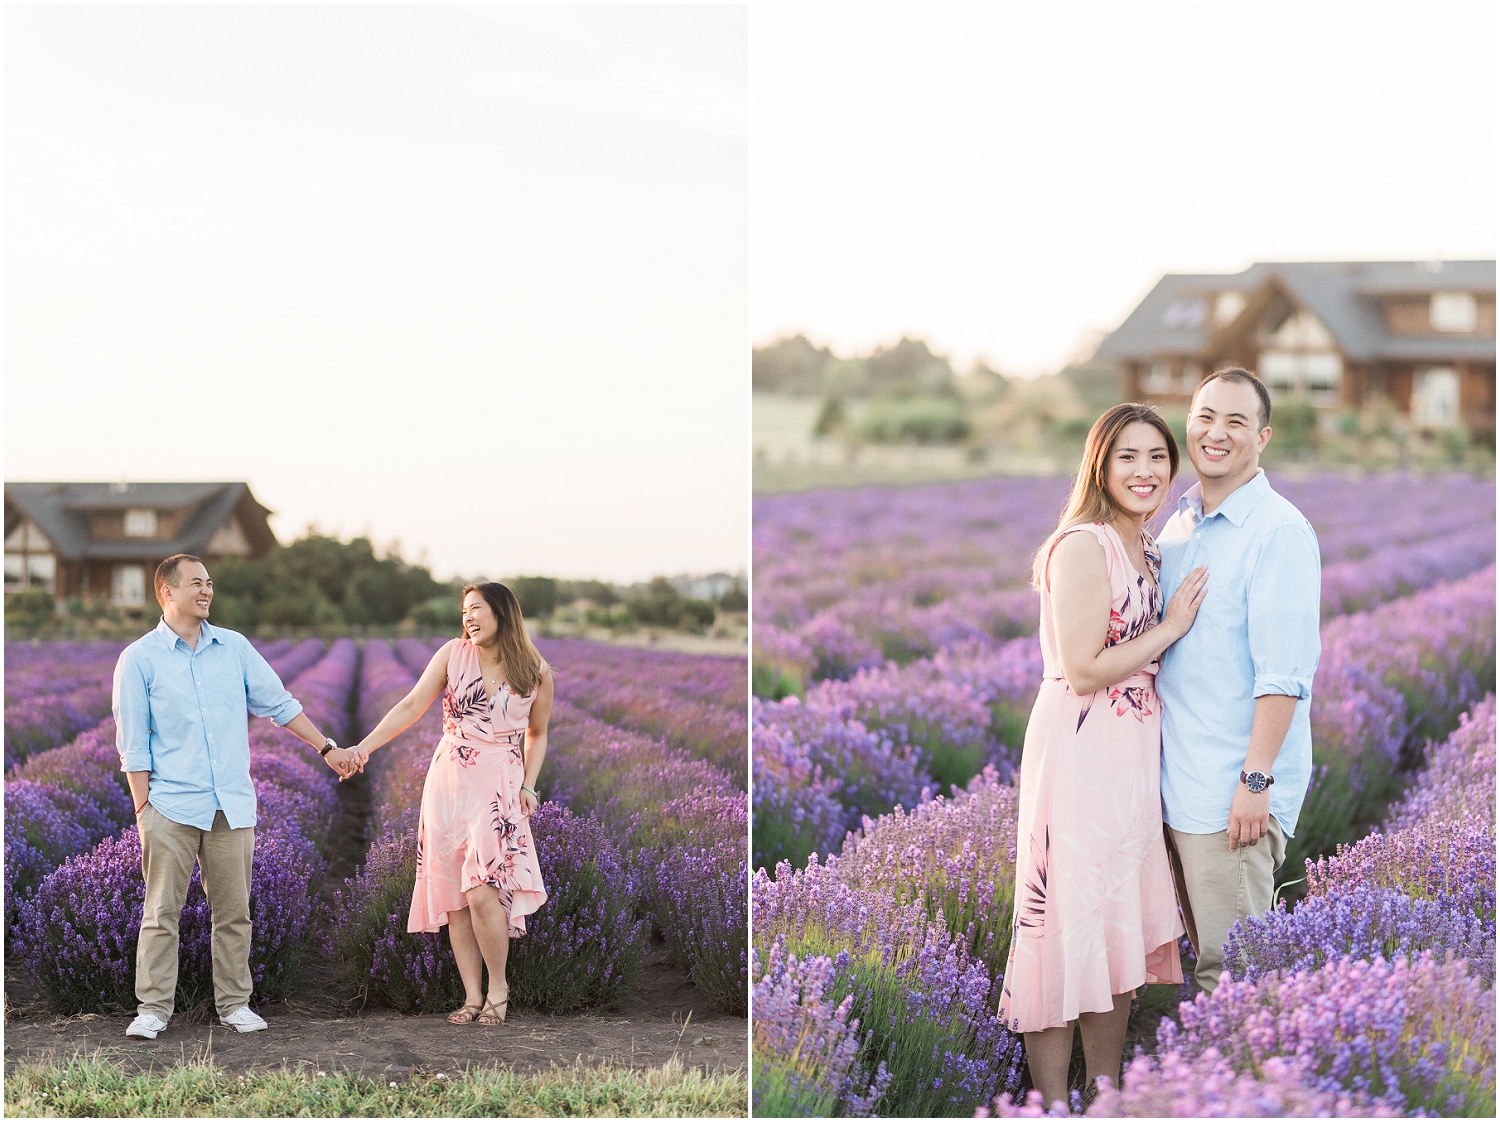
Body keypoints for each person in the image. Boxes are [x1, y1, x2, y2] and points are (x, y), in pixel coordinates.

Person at [997, 403, 1208, 1111]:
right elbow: (1085, 668)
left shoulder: (1145, 546)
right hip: (1083, 748)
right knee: (1066, 925)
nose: (1145, 471)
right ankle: (1054, 1105)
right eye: (1128, 457)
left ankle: (1108, 1098)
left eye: (1157, 457)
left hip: (1130, 755)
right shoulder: (1081, 546)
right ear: (1100, 465)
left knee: (1115, 931)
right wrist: (1174, 626)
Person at [115, 554, 361, 1041]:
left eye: (209, 583)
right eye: (194, 584)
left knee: (233, 913)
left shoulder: (234, 648)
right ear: (166, 593)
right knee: (161, 913)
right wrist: (144, 809)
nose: (206, 591)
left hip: (231, 804)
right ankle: (154, 1010)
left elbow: (280, 704)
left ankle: (234, 1004)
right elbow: (133, 742)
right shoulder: (139, 659)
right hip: (171, 805)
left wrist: (326, 748)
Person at [1156, 368, 1320, 993]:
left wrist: (1255, 782)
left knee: (1233, 977)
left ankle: (1252, 1085)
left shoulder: (1276, 532)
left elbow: (1283, 675)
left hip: (1231, 795)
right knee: (1201, 965)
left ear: (1264, 436)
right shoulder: (1179, 525)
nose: (1215, 434)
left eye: (1235, 422)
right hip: (1176, 787)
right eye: (1205, 417)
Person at [351, 581, 552, 1026]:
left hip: (498, 785)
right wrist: (363, 749)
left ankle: (499, 989)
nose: (468, 619)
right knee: (456, 896)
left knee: (483, 891)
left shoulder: (536, 671)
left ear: (502, 612)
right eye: (464, 612)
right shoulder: (452, 654)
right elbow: (410, 706)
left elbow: (537, 734)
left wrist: (531, 785)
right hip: (449, 781)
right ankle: (471, 996)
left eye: (476, 609)